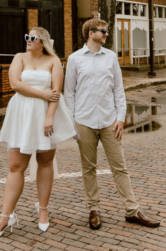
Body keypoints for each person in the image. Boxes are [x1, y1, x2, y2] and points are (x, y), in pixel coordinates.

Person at [64, 19, 160, 231]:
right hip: (84, 121)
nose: (106, 34)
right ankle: (93, 209)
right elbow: (69, 92)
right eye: (103, 31)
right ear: (90, 33)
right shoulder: (74, 59)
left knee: (120, 166)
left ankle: (132, 210)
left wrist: (120, 117)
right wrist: (72, 122)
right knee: (88, 168)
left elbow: (119, 89)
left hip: (110, 121)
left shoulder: (111, 57)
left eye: (106, 31)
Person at [0, 27, 77, 238]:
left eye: (32, 37)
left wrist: (49, 117)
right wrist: (42, 94)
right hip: (22, 113)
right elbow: (15, 84)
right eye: (27, 36)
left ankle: (43, 211)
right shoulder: (19, 57)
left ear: (42, 41)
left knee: (45, 162)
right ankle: (5, 218)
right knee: (16, 166)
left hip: (44, 114)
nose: (28, 40)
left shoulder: (54, 61)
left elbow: (56, 92)